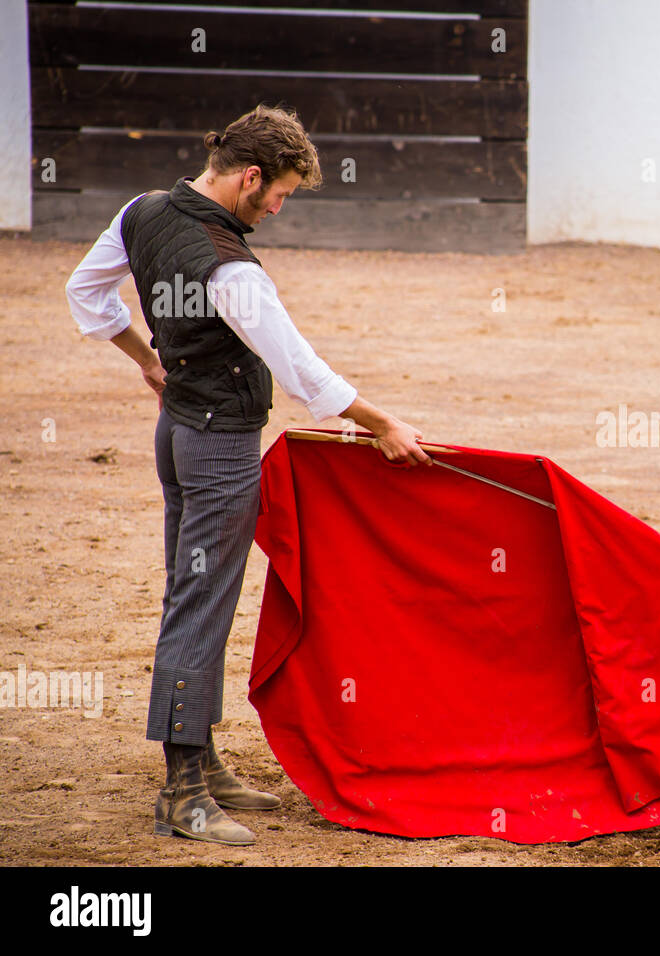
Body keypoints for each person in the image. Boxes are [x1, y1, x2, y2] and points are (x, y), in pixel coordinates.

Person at [64, 104, 432, 846]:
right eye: (282, 194)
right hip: (221, 445)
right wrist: (382, 422)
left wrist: (148, 359)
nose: (278, 208)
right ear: (251, 175)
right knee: (200, 604)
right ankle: (183, 794)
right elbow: (300, 368)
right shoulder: (228, 264)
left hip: (176, 431)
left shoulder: (144, 211)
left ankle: (202, 763)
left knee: (192, 594)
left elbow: (85, 292)